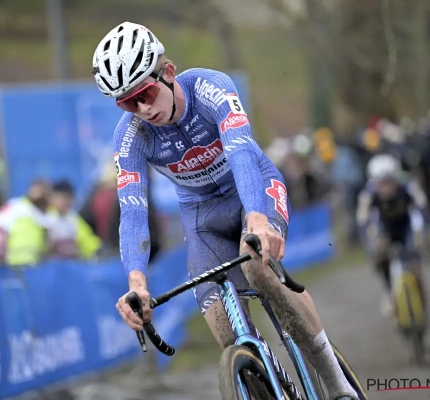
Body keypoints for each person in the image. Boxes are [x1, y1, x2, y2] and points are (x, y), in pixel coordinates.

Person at [93, 21, 359, 400]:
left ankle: (335, 382)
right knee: (220, 319)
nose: (143, 108)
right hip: (202, 219)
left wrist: (257, 219)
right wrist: (136, 283)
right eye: (128, 103)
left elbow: (241, 152)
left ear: (168, 73)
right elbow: (132, 209)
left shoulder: (209, 88)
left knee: (257, 267)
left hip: (252, 190)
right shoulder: (131, 136)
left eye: (146, 93)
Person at [356, 154, 430, 346]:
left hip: (406, 229)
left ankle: (426, 328)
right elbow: (362, 221)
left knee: (416, 272)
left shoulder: (408, 185)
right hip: (385, 231)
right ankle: (389, 290)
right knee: (379, 256)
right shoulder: (367, 194)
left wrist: (423, 235)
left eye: (389, 182)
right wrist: (370, 243)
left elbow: (422, 208)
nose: (386, 188)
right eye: (381, 183)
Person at [47, 179, 102, 260]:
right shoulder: (46, 217)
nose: (65, 201)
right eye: (61, 197)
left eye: (68, 198)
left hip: (71, 264)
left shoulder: (73, 219)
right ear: (52, 198)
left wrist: (97, 250)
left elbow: (87, 240)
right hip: (50, 264)